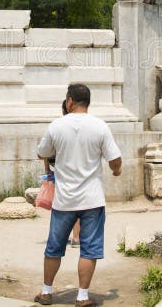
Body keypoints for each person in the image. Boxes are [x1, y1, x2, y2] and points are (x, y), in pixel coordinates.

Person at [34, 83, 122, 307]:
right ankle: (82, 296)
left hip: (64, 199)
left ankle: (46, 292)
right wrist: (116, 170)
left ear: (69, 101)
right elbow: (115, 159)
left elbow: (41, 152)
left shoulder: (56, 126)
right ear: (88, 102)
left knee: (54, 247)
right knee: (89, 248)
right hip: (92, 198)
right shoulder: (100, 126)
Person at [44, 100, 80, 247]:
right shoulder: (82, 127)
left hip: (59, 171)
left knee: (61, 205)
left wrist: (47, 169)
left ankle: (61, 236)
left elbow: (44, 152)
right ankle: (76, 238)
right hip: (77, 172)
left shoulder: (56, 126)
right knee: (77, 206)